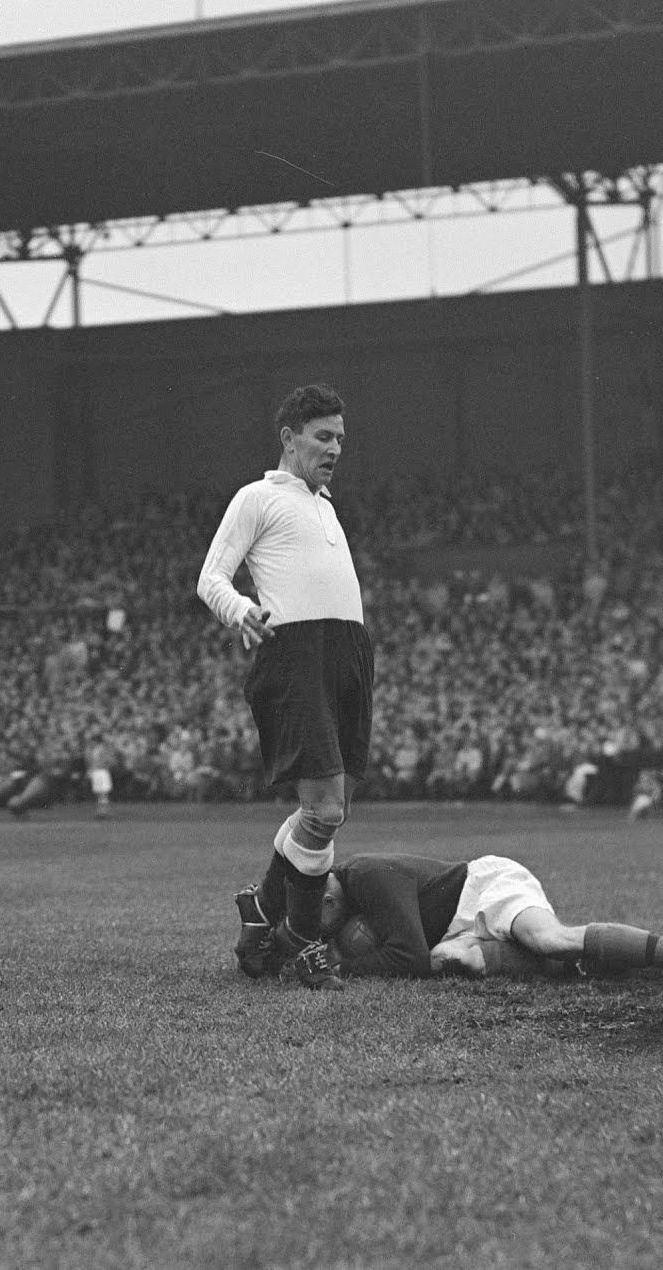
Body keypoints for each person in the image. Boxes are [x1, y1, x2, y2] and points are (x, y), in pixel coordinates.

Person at [199, 384, 370, 991]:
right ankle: (302, 944)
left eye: (341, 439)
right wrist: (239, 608)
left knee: (330, 810)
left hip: (347, 651)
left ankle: (261, 910)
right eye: (323, 437)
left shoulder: (326, 504)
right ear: (289, 437)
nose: (335, 449)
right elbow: (210, 575)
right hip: (295, 653)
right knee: (322, 812)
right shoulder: (257, 497)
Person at [233, 851, 663, 984]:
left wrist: (341, 964)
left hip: (484, 888)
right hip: (454, 926)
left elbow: (407, 957)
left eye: (313, 918)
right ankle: (582, 966)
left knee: (550, 940)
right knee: (458, 961)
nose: (318, 928)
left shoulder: (367, 874)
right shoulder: (343, 898)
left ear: (325, 897)